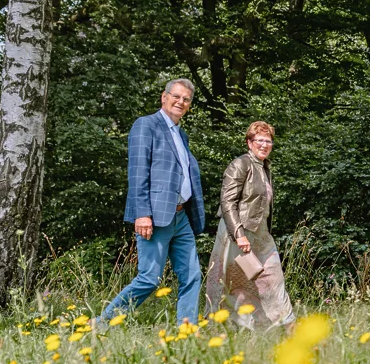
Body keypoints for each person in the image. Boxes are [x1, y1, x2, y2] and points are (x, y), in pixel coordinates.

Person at [99, 79, 204, 326]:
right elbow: (138, 172)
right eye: (176, 96)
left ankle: (186, 329)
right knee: (149, 278)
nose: (181, 102)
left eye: (186, 99)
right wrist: (142, 214)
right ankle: (102, 323)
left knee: (192, 275)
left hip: (181, 217)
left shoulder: (181, 135)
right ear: (164, 97)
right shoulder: (146, 125)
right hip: (156, 216)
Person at [204, 121, 295, 330]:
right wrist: (239, 235)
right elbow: (227, 203)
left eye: (268, 140)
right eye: (259, 140)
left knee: (273, 278)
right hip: (237, 234)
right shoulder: (240, 165)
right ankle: (221, 329)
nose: (264, 144)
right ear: (249, 142)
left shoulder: (265, 167)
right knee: (231, 284)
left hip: (261, 234)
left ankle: (286, 325)